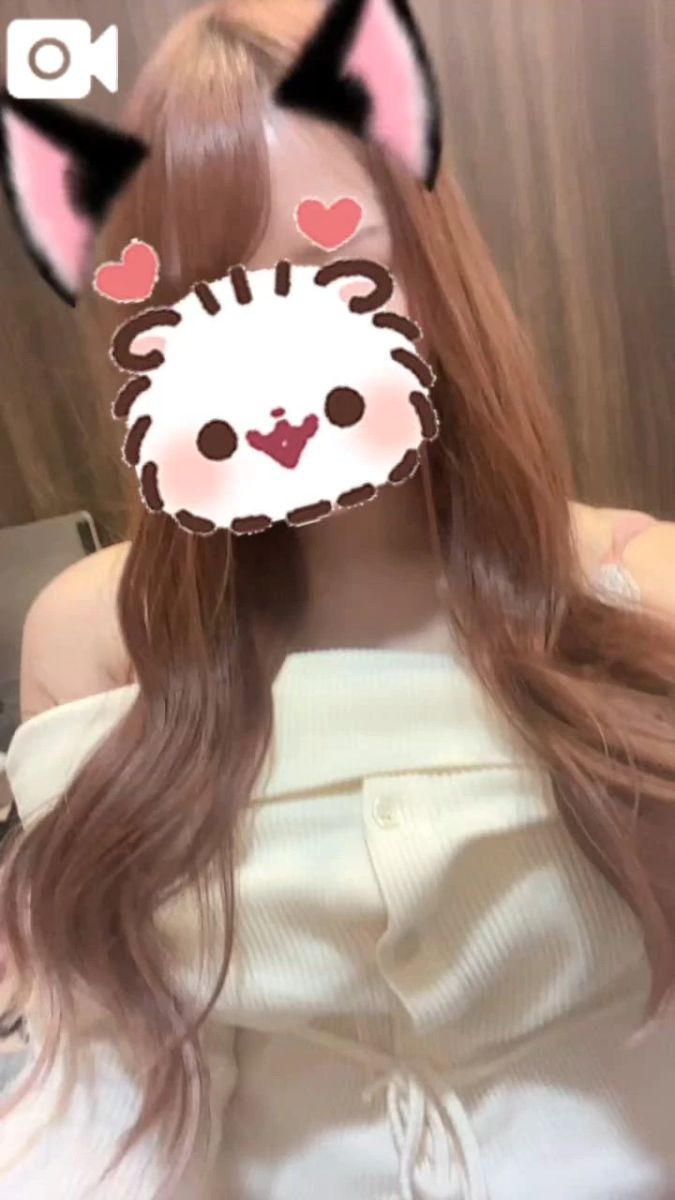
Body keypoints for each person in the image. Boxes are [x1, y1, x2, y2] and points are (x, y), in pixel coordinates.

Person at [2, 2, 675, 1197]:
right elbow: (106, 1071)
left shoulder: (642, 594)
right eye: (201, 299)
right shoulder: (96, 639)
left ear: (436, 271)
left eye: (336, 272)